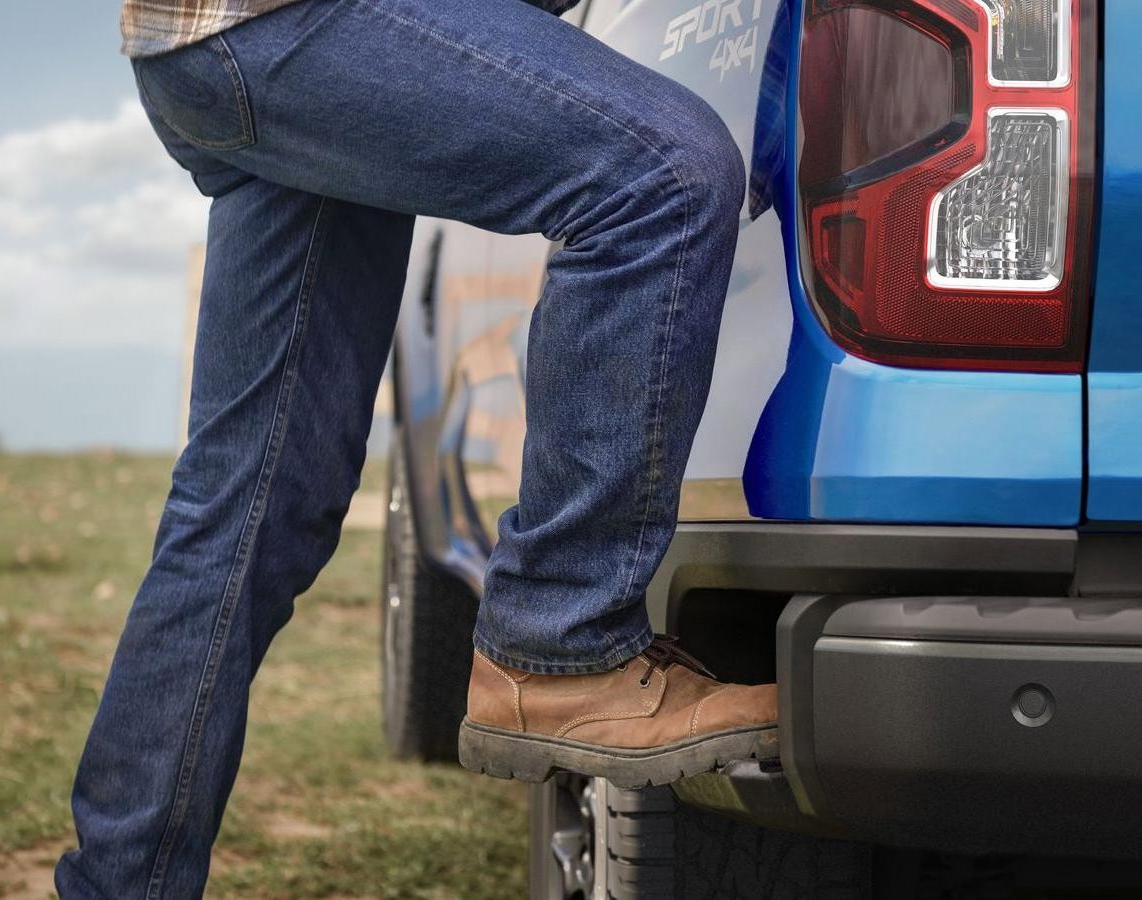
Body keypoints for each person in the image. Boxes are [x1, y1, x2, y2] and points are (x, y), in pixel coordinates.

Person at [56, 0, 779, 895]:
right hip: (293, 26)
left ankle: (119, 887)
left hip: (211, 42)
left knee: (250, 506)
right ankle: (560, 645)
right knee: (662, 173)